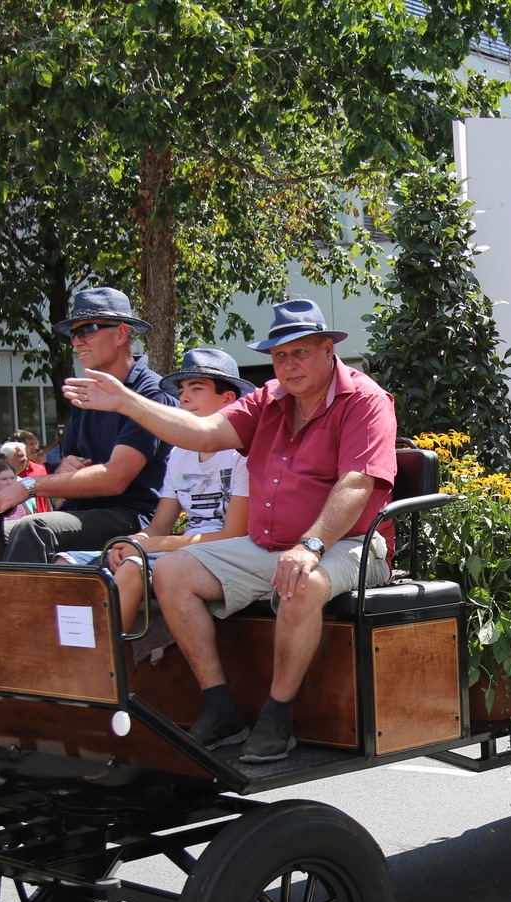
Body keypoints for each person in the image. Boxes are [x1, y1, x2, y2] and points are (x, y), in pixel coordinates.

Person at [65, 298, 395, 763]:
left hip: (349, 543)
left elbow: (357, 483)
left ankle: (277, 716)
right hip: (272, 545)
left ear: (328, 350)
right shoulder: (268, 399)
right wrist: (127, 402)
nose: (289, 365)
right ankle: (220, 709)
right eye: (279, 355)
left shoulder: (364, 399)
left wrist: (310, 546)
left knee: (301, 581)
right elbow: (202, 432)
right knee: (172, 571)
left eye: (301, 352)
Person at [0, 287, 174, 563]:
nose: (77, 342)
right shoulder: (86, 393)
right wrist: (64, 470)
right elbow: (67, 469)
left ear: (121, 334)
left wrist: (29, 486)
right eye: (73, 334)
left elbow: (115, 478)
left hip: (130, 518)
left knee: (33, 529)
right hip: (76, 513)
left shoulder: (150, 394)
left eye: (87, 330)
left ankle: (20, 595)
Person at [104, 348, 254, 632]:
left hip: (229, 555)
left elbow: (233, 534)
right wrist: (132, 541)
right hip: (182, 550)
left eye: (196, 389)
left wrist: (150, 546)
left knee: (133, 568)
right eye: (182, 390)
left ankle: (107, 659)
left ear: (228, 399)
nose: (184, 397)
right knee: (74, 566)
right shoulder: (179, 454)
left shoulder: (244, 453)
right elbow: (159, 526)